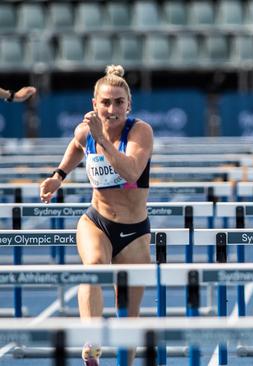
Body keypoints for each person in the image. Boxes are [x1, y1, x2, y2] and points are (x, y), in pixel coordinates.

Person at [39, 65, 153, 366]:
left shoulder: (140, 132)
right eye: (105, 102)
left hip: (134, 231)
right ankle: (91, 342)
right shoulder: (84, 130)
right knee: (93, 266)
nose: (112, 109)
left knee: (128, 315)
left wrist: (102, 139)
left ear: (129, 105)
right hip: (97, 221)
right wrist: (58, 175)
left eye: (118, 102)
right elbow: (77, 145)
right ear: (94, 104)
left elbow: (131, 171)